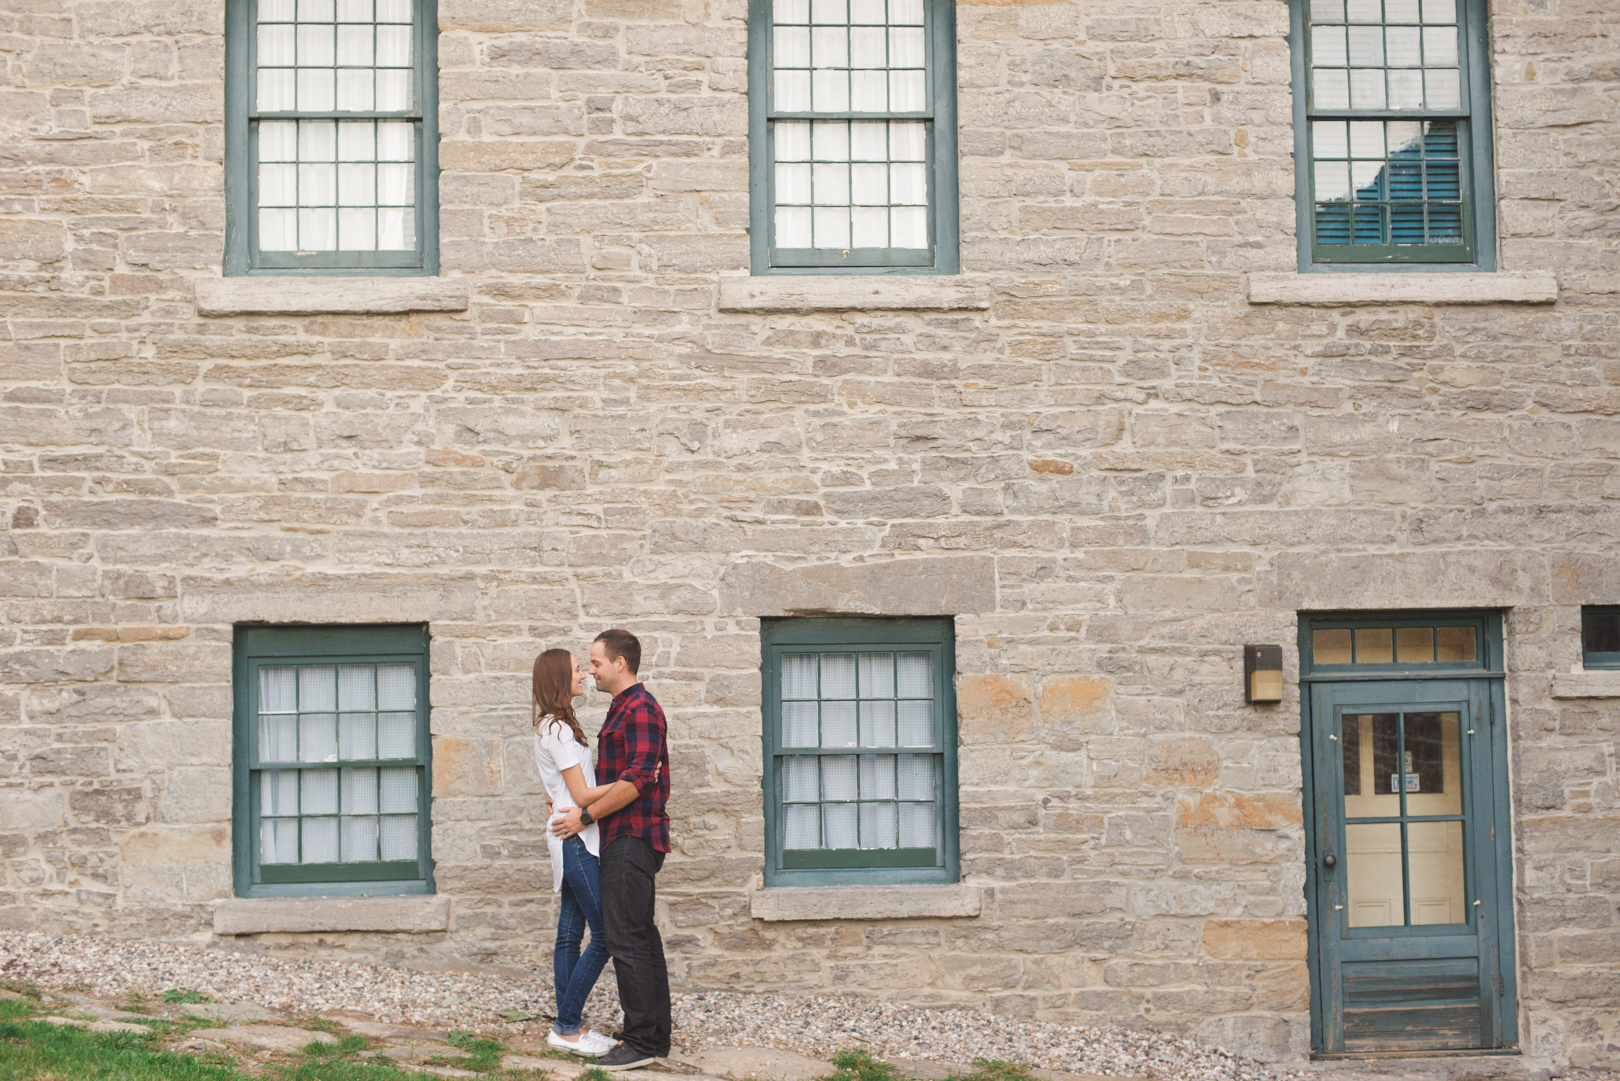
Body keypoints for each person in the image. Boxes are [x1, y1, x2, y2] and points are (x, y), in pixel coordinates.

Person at [552, 628, 672, 1072]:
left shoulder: (640, 707)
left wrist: (585, 817)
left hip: (631, 836)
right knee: (641, 937)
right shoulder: (623, 708)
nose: (592, 671)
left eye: (596, 663)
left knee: (625, 938)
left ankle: (640, 1042)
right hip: (622, 836)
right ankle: (655, 1038)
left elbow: (639, 780)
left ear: (621, 663)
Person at [531, 648, 617, 1057]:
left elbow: (564, 789)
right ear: (559, 679)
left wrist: (557, 797)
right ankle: (566, 1027)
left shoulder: (553, 725)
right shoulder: (559, 730)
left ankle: (569, 1026)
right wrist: (633, 781)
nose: (583, 675)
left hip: (570, 836)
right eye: (577, 670)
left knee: (570, 932)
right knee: (604, 935)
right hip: (577, 840)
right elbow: (581, 794)